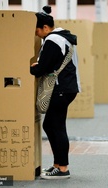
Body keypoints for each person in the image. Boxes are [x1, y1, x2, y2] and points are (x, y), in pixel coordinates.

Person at [30, 6, 81, 179]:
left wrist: (33, 68)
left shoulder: (53, 40)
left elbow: (42, 68)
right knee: (52, 125)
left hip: (61, 89)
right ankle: (57, 165)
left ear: (45, 27)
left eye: (37, 30)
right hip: (66, 88)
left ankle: (63, 168)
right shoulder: (62, 37)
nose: (36, 34)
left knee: (55, 126)